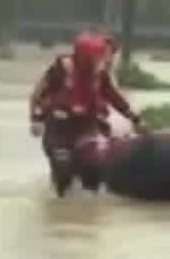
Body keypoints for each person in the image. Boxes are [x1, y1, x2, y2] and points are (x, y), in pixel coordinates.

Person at [30, 31, 140, 195]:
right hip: (59, 128)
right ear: (85, 56)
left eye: (106, 55)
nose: (104, 60)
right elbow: (40, 94)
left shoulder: (100, 74)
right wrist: (36, 118)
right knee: (63, 168)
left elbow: (115, 98)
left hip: (87, 128)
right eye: (99, 56)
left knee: (94, 169)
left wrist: (136, 119)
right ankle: (62, 201)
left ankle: (89, 202)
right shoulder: (62, 68)